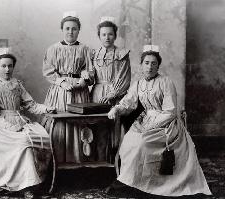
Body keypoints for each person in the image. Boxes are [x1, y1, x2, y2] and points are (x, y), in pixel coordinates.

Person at [107, 45, 212, 197]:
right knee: (129, 141)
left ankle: (150, 183)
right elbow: (128, 103)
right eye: (147, 63)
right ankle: (131, 180)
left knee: (143, 143)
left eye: (153, 63)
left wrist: (152, 125)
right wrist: (116, 109)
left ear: (158, 65)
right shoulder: (138, 83)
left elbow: (170, 112)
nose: (150, 67)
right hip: (146, 120)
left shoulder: (165, 82)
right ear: (141, 65)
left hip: (166, 124)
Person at [0, 47, 55, 198]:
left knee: (44, 137)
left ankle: (34, 182)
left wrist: (47, 108)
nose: (7, 69)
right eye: (3, 66)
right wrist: (12, 127)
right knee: (24, 143)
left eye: (10, 66)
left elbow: (31, 105)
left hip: (21, 121)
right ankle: (26, 186)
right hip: (2, 127)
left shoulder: (17, 84)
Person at [42, 11, 93, 163]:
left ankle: (78, 159)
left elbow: (89, 69)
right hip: (60, 91)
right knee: (60, 122)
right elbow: (48, 70)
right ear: (62, 30)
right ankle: (58, 160)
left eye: (74, 28)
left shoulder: (85, 49)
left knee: (79, 122)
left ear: (78, 30)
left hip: (79, 91)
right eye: (67, 28)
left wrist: (84, 80)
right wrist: (62, 82)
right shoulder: (53, 49)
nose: (70, 32)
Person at [90, 16, 131, 161]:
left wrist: (112, 94)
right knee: (98, 128)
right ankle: (100, 162)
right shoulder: (94, 55)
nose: (107, 37)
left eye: (110, 34)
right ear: (99, 36)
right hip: (97, 94)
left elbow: (124, 78)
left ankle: (115, 163)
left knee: (114, 128)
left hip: (115, 95)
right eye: (103, 34)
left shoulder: (122, 54)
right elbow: (90, 75)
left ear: (115, 35)